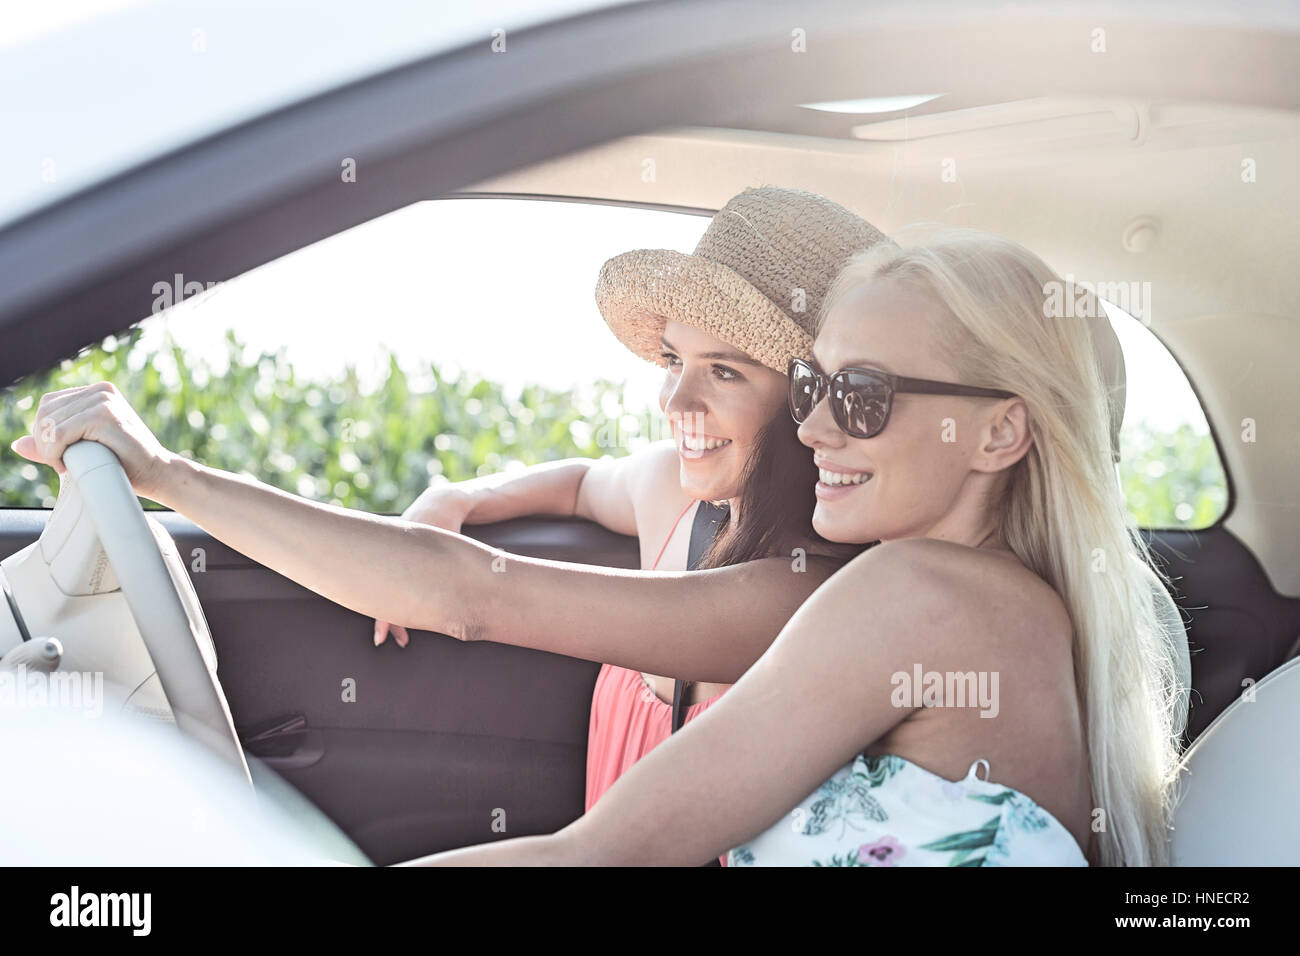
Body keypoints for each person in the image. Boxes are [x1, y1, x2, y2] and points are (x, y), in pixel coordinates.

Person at [11, 228, 1182, 866]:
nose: (821, 421)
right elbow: (591, 482)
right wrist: (467, 486)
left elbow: (598, 851)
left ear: (1001, 432)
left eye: (861, 395)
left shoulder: (913, 599)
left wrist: (166, 475)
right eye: (820, 383)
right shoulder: (942, 592)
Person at [372, 186, 886, 815]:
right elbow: (583, 485)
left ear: (811, 398)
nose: (675, 402)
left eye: (725, 372)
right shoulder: (670, 494)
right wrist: (454, 500)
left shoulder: (827, 592)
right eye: (674, 360)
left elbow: (472, 598)